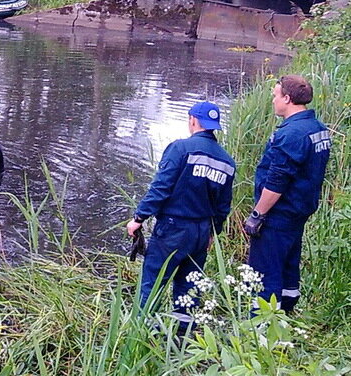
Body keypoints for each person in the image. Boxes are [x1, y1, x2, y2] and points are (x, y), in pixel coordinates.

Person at [126, 102, 236, 332]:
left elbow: (160, 188)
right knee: (188, 289)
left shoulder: (181, 149)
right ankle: (181, 340)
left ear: (193, 121)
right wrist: (213, 233)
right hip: (201, 233)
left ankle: (141, 336)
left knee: (153, 284)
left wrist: (139, 218)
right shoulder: (227, 162)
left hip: (173, 229)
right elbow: (223, 206)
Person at [244, 75, 331, 314]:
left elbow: (277, 181)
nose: (273, 100)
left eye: (275, 95)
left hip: (279, 213)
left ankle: (261, 328)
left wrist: (258, 214)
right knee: (288, 264)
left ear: (287, 98)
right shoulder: (318, 129)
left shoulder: (291, 134)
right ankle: (287, 313)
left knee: (265, 270)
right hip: (299, 209)